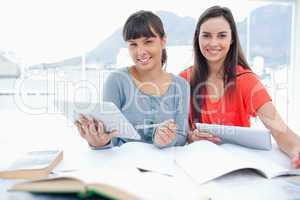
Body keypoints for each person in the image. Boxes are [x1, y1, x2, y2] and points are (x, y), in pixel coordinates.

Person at [179, 6, 300, 168]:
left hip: (237, 169)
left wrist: (297, 150)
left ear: (232, 39)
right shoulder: (183, 80)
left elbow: (281, 132)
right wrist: (189, 137)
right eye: (206, 36)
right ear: (197, 38)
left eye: (221, 36)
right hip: (198, 166)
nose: (213, 43)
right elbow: (176, 132)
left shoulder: (246, 81)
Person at [75, 10, 189, 149]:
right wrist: (99, 141)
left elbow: (182, 136)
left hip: (166, 165)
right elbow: (110, 136)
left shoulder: (181, 85)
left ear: (163, 41)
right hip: (125, 165)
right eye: (133, 44)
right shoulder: (116, 81)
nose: (140, 52)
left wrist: (165, 140)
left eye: (148, 42)